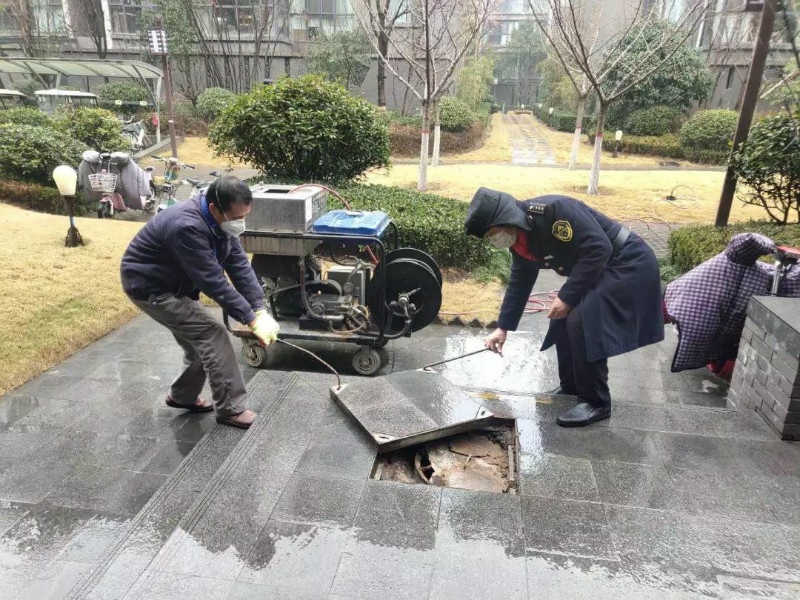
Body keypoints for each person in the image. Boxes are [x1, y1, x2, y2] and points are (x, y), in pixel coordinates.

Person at [464, 188, 664, 427]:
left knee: (581, 318)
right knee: (561, 319)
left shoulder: (555, 212)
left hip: (628, 262)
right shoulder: (521, 236)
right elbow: (520, 280)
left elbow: (599, 248)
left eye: (492, 233)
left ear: (505, 219)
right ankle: (571, 388)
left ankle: (596, 401)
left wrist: (567, 298)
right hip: (602, 266)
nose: (494, 240)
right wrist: (502, 328)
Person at [120, 176, 279, 429]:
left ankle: (182, 396)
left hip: (174, 283)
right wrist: (250, 319)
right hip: (151, 288)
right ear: (215, 207)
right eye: (236, 217)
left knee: (199, 340)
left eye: (245, 216)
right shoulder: (186, 226)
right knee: (211, 333)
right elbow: (212, 281)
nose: (240, 222)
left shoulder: (220, 221)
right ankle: (231, 408)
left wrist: (259, 309)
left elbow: (238, 263)